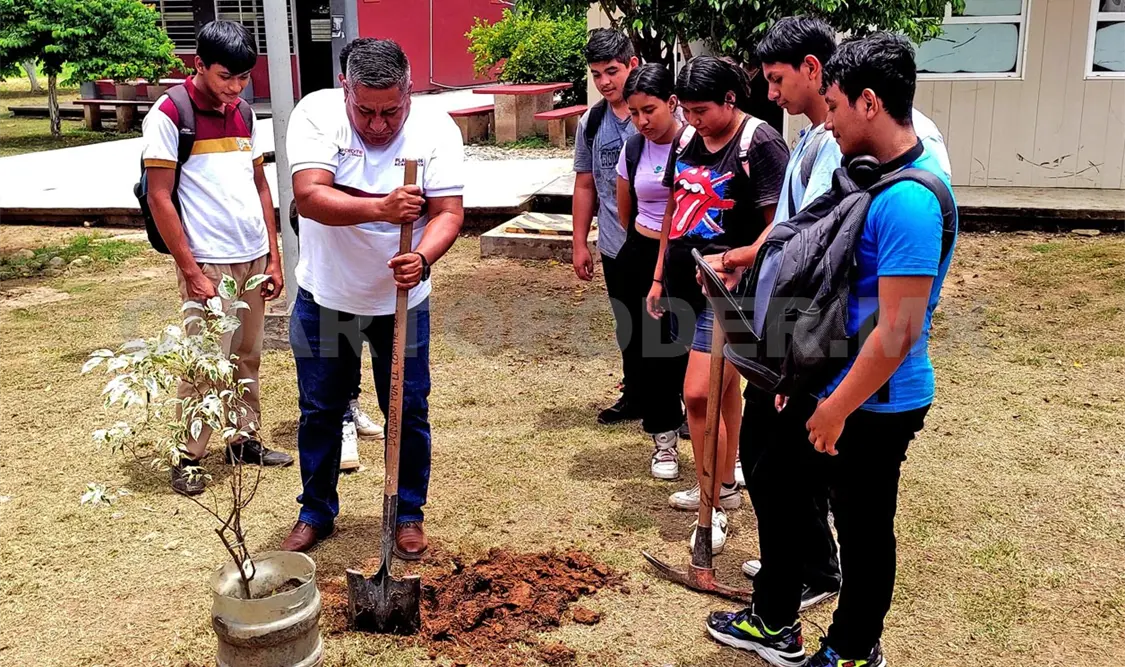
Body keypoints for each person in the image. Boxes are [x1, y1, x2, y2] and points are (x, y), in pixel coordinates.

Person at [706, 33, 958, 667]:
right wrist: (802, 373)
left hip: (875, 403)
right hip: (830, 385)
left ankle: (850, 648)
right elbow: (833, 292)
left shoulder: (909, 202)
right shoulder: (867, 177)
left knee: (863, 529)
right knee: (785, 491)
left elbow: (896, 332)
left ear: (870, 103)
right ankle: (777, 620)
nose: (830, 121)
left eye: (838, 106)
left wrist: (838, 406)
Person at [281, 38, 465, 556]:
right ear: (346, 89)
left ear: (409, 91)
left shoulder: (435, 130)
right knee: (320, 408)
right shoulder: (315, 113)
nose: (380, 124)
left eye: (392, 110)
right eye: (365, 110)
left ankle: (407, 511)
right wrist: (382, 209)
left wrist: (423, 257)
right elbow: (310, 196)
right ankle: (315, 511)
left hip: (401, 302)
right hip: (329, 297)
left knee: (406, 408)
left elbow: (449, 212)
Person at [141, 19, 292, 496]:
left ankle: (243, 437)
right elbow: (159, 197)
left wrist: (274, 255)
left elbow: (260, 185)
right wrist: (191, 270)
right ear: (199, 65)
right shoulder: (169, 114)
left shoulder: (244, 112)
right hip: (209, 261)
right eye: (227, 76)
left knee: (249, 355)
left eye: (244, 78)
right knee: (206, 362)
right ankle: (188, 456)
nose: (236, 86)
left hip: (252, 257)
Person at [656, 56, 789, 553]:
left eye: (702, 110)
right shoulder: (688, 139)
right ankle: (724, 486)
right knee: (719, 389)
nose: (692, 120)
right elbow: (675, 204)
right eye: (685, 109)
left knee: (696, 394)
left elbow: (781, 224)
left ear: (731, 100)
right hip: (691, 283)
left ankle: (711, 506)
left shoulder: (762, 143)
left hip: (736, 288)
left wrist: (736, 258)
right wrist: (658, 275)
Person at [614, 63, 688, 480]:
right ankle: (662, 438)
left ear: (673, 103)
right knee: (647, 349)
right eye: (635, 112)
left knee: (682, 345)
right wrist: (638, 247)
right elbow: (626, 203)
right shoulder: (634, 148)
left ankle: (688, 416)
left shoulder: (696, 144)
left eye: (650, 111)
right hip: (640, 252)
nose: (642, 121)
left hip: (681, 253)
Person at [572, 29, 641, 425]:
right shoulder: (591, 122)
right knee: (627, 322)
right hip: (615, 243)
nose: (604, 82)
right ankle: (634, 394)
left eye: (611, 71)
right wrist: (580, 243)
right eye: (596, 74)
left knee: (671, 321)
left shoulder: (661, 112)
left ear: (632, 64)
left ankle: (679, 402)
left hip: (661, 239)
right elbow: (585, 183)